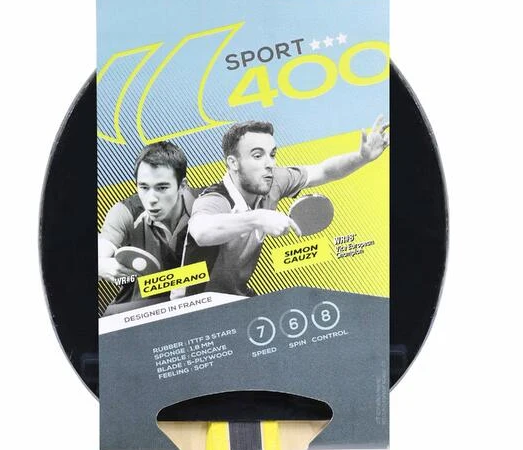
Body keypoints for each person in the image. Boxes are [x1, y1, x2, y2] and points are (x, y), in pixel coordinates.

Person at [181, 117, 389, 296]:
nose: (269, 163)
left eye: (272, 154)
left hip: (238, 295)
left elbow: (324, 171)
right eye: (257, 155)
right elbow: (201, 231)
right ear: (233, 163)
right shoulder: (215, 199)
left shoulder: (273, 181)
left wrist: (361, 158)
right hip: (199, 303)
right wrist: (258, 218)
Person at [98, 141, 195, 310]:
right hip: (136, 309)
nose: (151, 199)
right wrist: (101, 266)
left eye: (162, 187)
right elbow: (98, 254)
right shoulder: (126, 211)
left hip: (195, 304)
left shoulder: (206, 204)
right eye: (143, 187)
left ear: (182, 186)